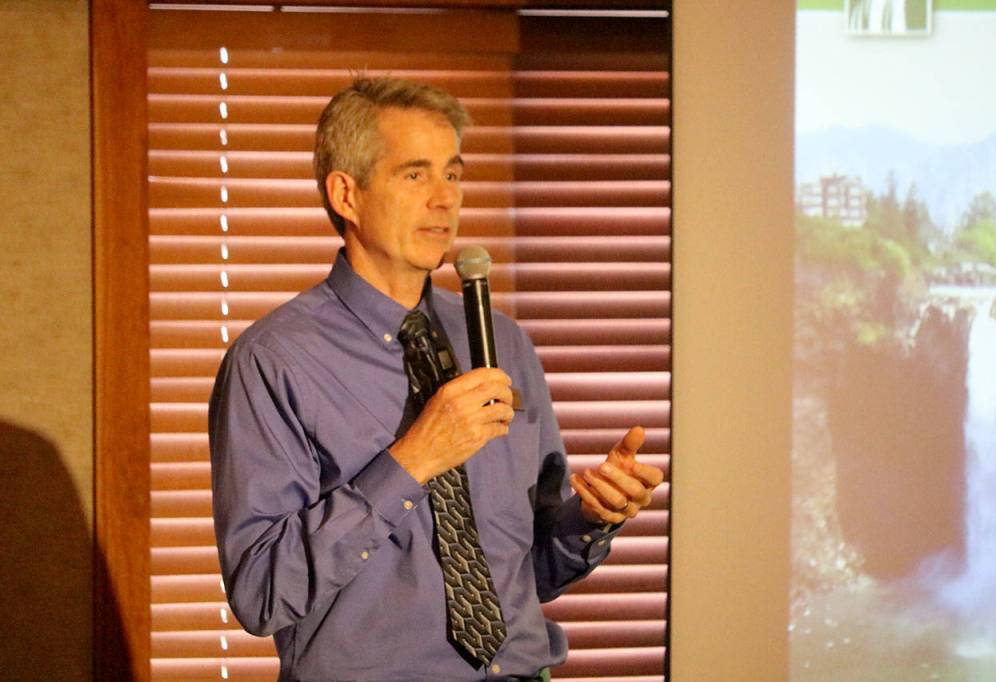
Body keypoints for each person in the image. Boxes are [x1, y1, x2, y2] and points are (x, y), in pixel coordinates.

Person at [209, 77, 664, 682]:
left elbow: (532, 571)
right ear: (346, 194)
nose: (445, 200)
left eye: (453, 175)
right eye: (415, 175)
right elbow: (263, 593)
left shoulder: (503, 342)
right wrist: (415, 458)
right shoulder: (273, 361)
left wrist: (592, 519)